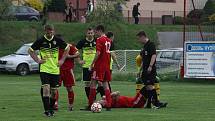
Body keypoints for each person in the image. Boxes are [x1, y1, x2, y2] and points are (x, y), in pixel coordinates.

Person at [28, 24, 70, 117]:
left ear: (53, 31)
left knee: (54, 92)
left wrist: (62, 60)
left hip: (55, 69)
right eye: (48, 31)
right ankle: (47, 111)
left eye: (51, 31)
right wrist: (38, 60)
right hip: (44, 68)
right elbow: (30, 50)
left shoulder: (57, 40)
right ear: (45, 31)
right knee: (46, 88)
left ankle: (50, 109)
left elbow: (67, 48)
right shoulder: (40, 40)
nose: (50, 32)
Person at [136, 31, 166, 108]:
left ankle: (156, 102)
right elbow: (143, 60)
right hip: (145, 70)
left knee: (149, 86)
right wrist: (140, 70)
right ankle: (149, 104)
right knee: (147, 86)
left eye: (139, 39)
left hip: (150, 69)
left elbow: (153, 55)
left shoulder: (151, 45)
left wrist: (150, 66)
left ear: (143, 37)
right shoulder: (144, 47)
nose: (139, 41)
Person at [87, 25, 112, 111]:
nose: (95, 34)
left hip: (99, 66)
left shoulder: (99, 39)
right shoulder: (109, 40)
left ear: (100, 31)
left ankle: (90, 104)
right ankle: (109, 105)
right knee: (105, 85)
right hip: (107, 66)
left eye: (96, 32)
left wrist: (92, 64)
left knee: (93, 83)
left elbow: (98, 52)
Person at [54, 36, 80, 111]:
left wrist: (69, 56)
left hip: (68, 70)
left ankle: (71, 105)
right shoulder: (54, 48)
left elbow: (78, 54)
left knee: (69, 88)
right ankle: (55, 104)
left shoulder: (69, 46)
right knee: (55, 88)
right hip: (57, 70)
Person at [97, 86, 167, 109]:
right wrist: (106, 96)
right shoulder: (110, 103)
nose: (99, 100)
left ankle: (154, 102)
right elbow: (117, 93)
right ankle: (155, 103)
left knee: (149, 87)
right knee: (148, 86)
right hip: (134, 102)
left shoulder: (108, 100)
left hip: (135, 100)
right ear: (103, 104)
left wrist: (105, 97)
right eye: (100, 102)